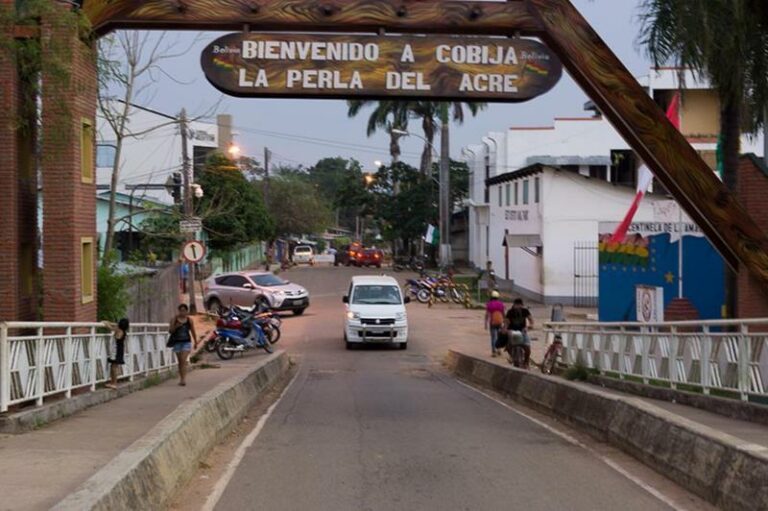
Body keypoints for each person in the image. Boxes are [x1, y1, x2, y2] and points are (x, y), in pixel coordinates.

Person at [169, 303, 197, 386]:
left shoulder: (189, 320)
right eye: (181, 311)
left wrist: (195, 341)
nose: (182, 312)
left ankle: (183, 379)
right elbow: (170, 331)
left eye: (184, 311)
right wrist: (176, 326)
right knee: (180, 361)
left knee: (183, 359)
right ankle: (181, 378)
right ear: (179, 311)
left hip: (186, 342)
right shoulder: (174, 319)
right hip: (177, 342)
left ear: (187, 311)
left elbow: (193, 331)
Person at [505, 298, 534, 368]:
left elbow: (531, 320)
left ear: (522, 305)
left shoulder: (525, 311)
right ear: (514, 305)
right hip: (512, 331)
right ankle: (512, 356)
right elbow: (506, 322)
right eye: (517, 305)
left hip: (522, 332)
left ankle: (526, 362)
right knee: (508, 346)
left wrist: (529, 326)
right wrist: (506, 329)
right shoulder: (510, 312)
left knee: (527, 347)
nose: (518, 307)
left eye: (520, 305)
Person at [104, 318, 129, 390]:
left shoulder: (119, 331)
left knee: (114, 367)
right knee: (113, 366)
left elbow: (110, 328)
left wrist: (106, 323)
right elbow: (114, 326)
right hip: (117, 351)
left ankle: (114, 383)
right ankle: (112, 382)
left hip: (117, 352)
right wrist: (109, 322)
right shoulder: (122, 331)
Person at [484, 290, 505, 357]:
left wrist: (485, 323)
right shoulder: (501, 304)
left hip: (492, 323)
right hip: (499, 322)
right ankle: (499, 350)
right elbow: (503, 313)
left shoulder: (489, 304)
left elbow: (487, 314)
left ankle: (494, 352)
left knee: (493, 337)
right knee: (499, 336)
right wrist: (504, 321)